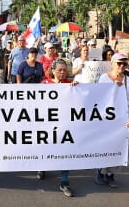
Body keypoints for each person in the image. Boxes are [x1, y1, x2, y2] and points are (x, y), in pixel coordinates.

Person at [96, 53, 129, 187]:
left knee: (118, 146)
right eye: (119, 63)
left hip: (122, 120)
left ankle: (111, 174)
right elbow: (99, 98)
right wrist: (114, 87)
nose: (122, 66)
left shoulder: (128, 80)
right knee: (104, 146)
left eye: (124, 64)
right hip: (106, 119)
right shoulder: (104, 78)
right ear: (112, 63)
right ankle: (100, 172)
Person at [37, 59, 78, 197]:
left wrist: (77, 89)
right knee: (46, 148)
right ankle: (42, 167)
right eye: (59, 70)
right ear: (53, 71)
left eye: (64, 70)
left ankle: (64, 182)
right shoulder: (44, 84)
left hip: (65, 126)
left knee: (65, 152)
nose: (62, 72)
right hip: (47, 125)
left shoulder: (70, 85)